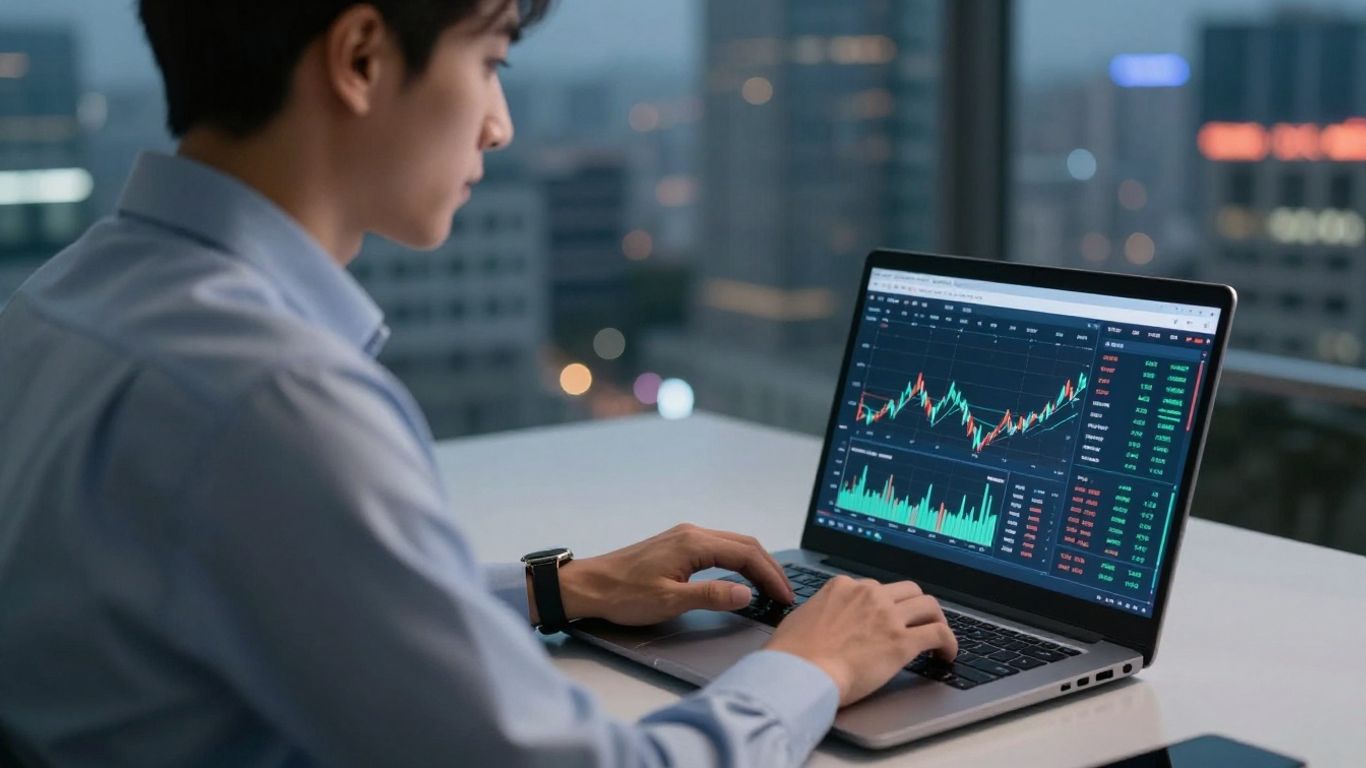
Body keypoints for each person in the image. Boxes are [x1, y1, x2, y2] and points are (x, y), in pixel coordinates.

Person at [0, 1, 957, 765]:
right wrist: (810, 666)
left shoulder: (60, 301)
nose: (499, 126)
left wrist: (562, 589)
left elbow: (281, 600)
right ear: (361, 57)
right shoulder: (272, 398)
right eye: (490, 61)